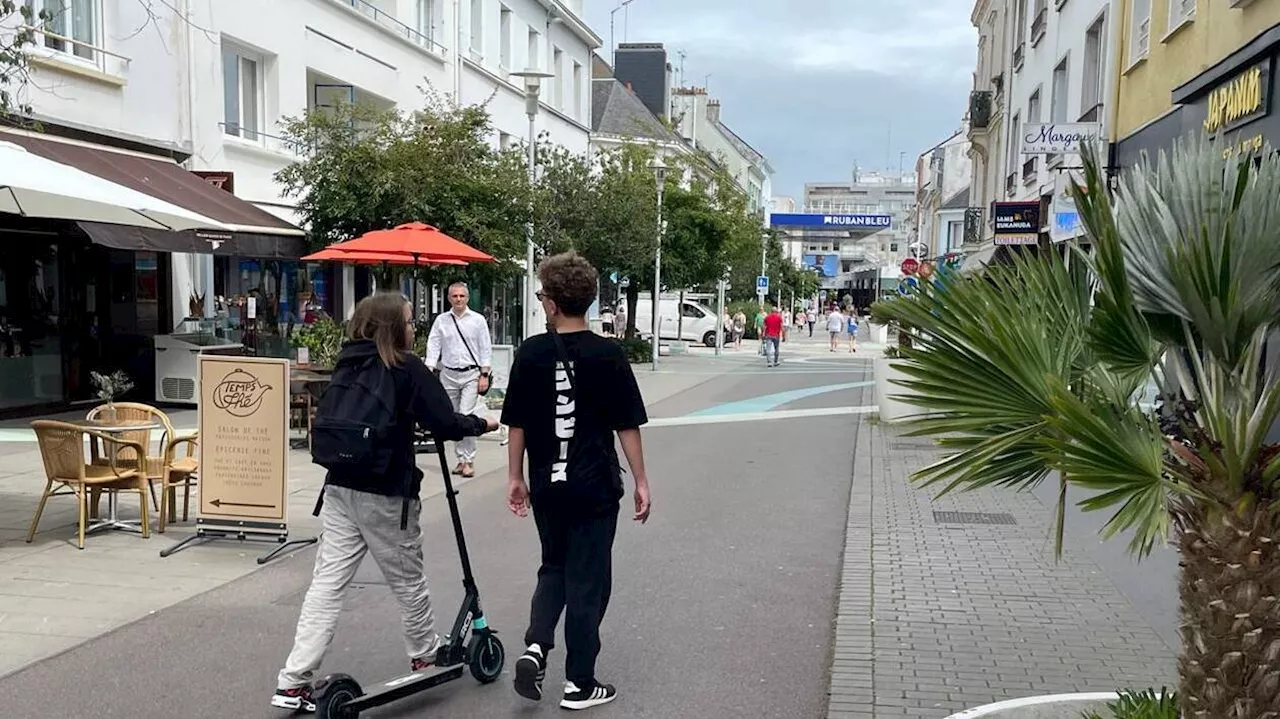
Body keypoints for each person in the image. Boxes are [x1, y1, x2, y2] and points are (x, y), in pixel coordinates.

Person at [272, 291, 499, 712]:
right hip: (387, 492)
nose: (415, 327)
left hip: (339, 488)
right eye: (411, 321)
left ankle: (293, 679)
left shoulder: (347, 362)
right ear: (395, 328)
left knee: (326, 586)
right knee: (408, 581)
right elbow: (445, 423)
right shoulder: (405, 367)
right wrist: (482, 423)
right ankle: (425, 653)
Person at [503, 252, 652, 712]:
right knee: (588, 581)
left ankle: (535, 646)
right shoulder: (608, 354)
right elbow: (627, 424)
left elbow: (517, 424)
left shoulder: (530, 353)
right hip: (594, 487)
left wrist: (513, 477)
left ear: (551, 304)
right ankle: (579, 683)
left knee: (554, 567)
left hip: (548, 484)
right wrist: (643, 481)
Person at [425, 282, 493, 478]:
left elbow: (485, 347)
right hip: (449, 374)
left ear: (468, 298)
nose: (458, 299)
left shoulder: (478, 320)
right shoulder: (442, 321)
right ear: (449, 299)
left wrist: (484, 374)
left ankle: (468, 460)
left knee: (466, 415)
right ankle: (460, 459)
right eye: (455, 296)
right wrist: (429, 367)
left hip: (471, 374)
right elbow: (434, 343)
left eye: (462, 296)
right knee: (453, 416)